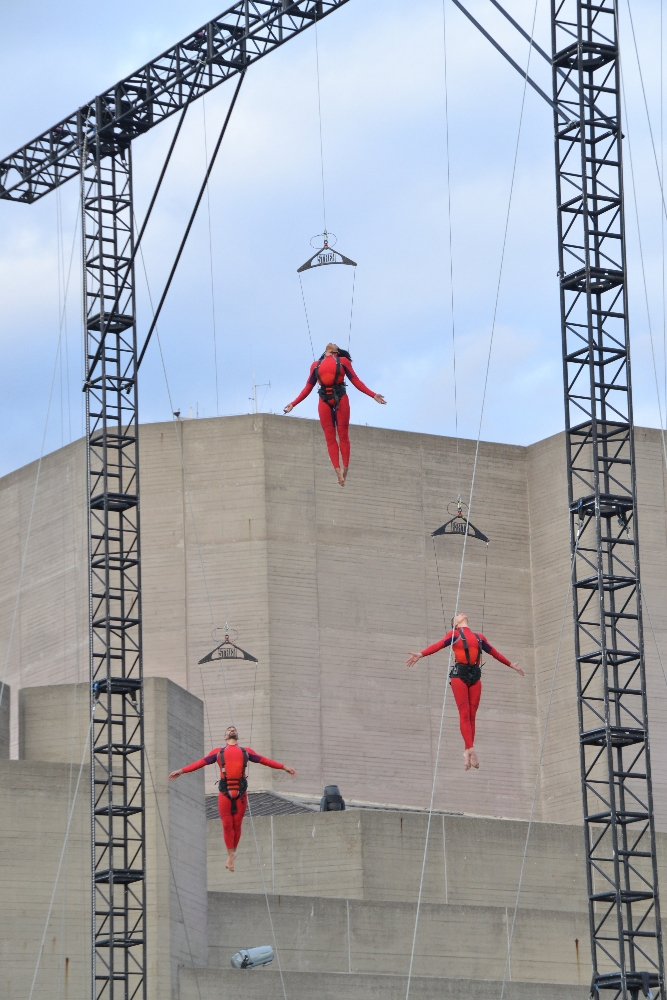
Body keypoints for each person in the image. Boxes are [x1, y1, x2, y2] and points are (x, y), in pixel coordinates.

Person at [168, 725, 297, 872]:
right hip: (225, 792)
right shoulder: (218, 753)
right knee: (226, 824)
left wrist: (283, 767)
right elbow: (200, 763)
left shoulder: (246, 752)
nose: (232, 730)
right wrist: (181, 771)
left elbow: (265, 761)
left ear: (237, 736)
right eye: (229, 729)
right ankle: (231, 854)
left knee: (237, 824)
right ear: (225, 737)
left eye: (233, 729)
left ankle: (232, 854)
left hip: (241, 793)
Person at [406, 613, 523, 771]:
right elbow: (438, 645)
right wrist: (421, 654)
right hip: (459, 676)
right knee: (464, 712)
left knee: (472, 715)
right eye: (457, 615)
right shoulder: (454, 634)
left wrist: (511, 665)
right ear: (455, 623)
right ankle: (471, 749)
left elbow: (495, 653)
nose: (460, 614)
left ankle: (467, 750)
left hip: (475, 676)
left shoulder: (479, 637)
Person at [284, 343, 386, 486]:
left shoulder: (343, 361)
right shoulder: (315, 365)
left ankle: (345, 468)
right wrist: (293, 403)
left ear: (335, 351)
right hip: (324, 400)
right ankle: (338, 471)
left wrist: (373, 395)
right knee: (330, 437)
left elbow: (356, 381)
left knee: (343, 434)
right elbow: (308, 387)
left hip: (340, 398)